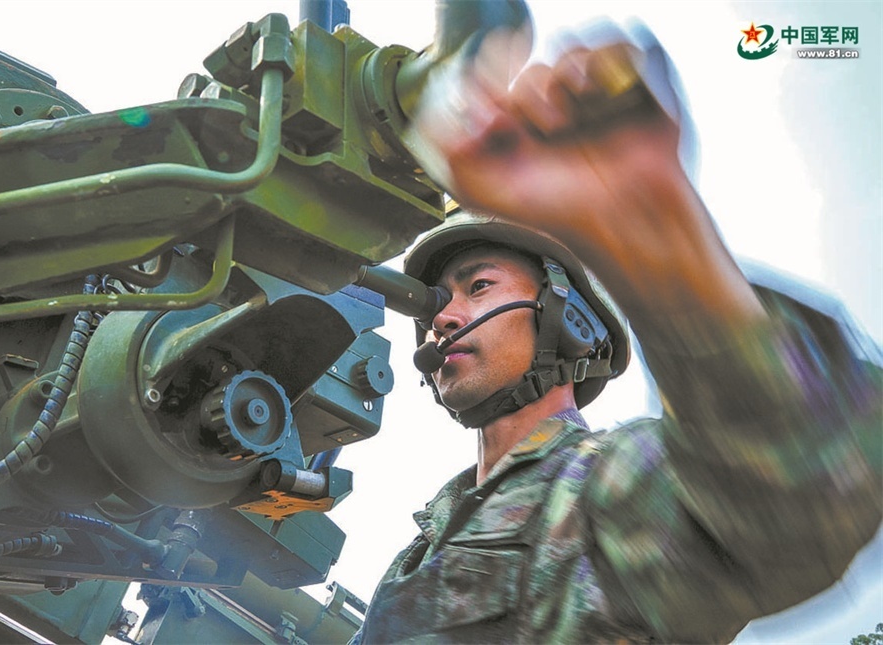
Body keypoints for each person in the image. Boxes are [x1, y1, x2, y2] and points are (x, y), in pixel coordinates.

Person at [352, 20, 883, 645]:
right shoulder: (421, 546)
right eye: (438, 304)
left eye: (480, 286)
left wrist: (653, 242)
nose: (442, 317)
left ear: (570, 321)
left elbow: (798, 496)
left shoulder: (601, 491)